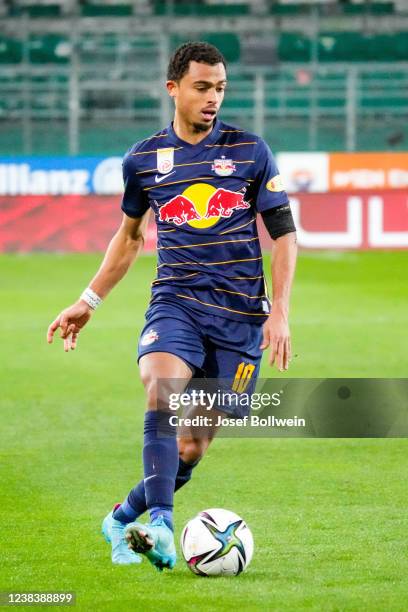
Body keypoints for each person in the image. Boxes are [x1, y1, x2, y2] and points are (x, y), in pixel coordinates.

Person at [47, 42, 297, 572]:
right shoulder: (142, 159)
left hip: (241, 321)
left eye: (221, 88)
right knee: (162, 389)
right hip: (176, 305)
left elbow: (284, 236)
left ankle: (122, 517)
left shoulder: (251, 151)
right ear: (174, 88)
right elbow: (130, 237)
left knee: (190, 447)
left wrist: (280, 312)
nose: (213, 98)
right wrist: (88, 299)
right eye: (203, 87)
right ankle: (160, 521)